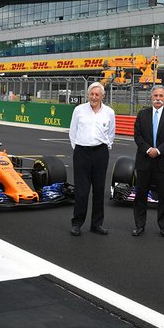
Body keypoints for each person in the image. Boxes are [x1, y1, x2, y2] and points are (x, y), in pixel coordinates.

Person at [132, 85, 164, 237]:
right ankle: (139, 225)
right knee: (140, 195)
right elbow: (137, 136)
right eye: (155, 96)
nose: (158, 99)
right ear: (151, 97)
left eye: (161, 96)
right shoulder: (142, 114)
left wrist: (158, 150)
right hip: (144, 160)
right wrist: (148, 150)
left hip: (163, 161)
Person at [68, 82, 115, 236]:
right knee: (82, 191)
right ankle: (77, 223)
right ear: (88, 95)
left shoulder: (109, 112)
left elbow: (111, 133)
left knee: (99, 189)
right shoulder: (79, 110)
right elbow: (72, 131)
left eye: (97, 94)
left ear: (102, 96)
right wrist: (79, 148)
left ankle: (96, 224)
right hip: (81, 151)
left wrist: (105, 147)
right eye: (91, 94)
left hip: (100, 152)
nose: (94, 97)